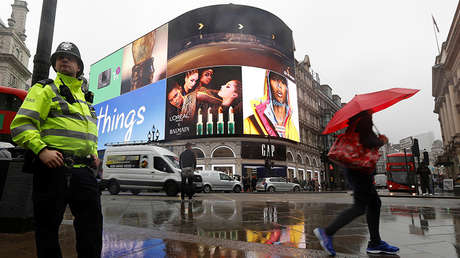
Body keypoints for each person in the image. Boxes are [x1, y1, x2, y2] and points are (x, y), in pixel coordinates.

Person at [10, 42, 102, 258]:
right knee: (47, 229)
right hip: (53, 170)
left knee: (92, 229)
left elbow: (88, 133)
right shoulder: (44, 88)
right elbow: (21, 125)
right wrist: (41, 150)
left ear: (79, 66)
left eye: (69, 57)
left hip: (84, 173)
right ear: (54, 65)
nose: (64, 60)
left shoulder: (86, 98)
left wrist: (95, 154)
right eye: (60, 57)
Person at [314, 111, 399, 256]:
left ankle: (375, 242)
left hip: (355, 168)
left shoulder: (354, 120)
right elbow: (367, 140)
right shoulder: (363, 119)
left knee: (374, 203)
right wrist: (381, 141)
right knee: (360, 207)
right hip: (360, 169)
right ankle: (327, 232)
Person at [244, 71, 299, 141]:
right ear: (268, 83)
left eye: (283, 82)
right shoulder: (248, 123)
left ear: (287, 88)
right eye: (275, 79)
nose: (279, 85)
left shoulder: (294, 131)